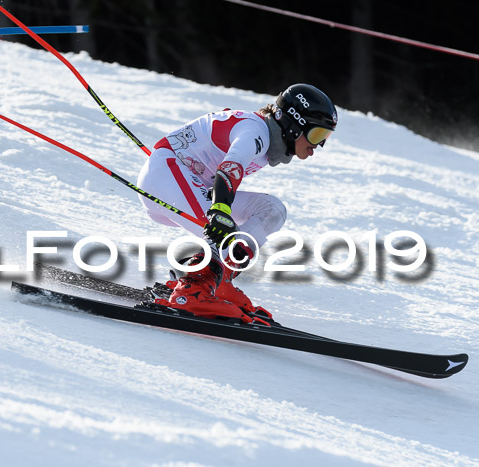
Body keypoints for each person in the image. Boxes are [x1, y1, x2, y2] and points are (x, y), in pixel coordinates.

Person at [137, 83, 338, 323]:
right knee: (224, 234)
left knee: (272, 210)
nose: (317, 146)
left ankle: (216, 280)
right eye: (316, 134)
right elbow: (229, 168)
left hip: (188, 183)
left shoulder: (262, 133)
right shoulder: (256, 132)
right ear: (293, 124)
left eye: (325, 137)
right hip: (166, 176)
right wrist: (220, 210)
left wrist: (220, 210)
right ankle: (191, 290)